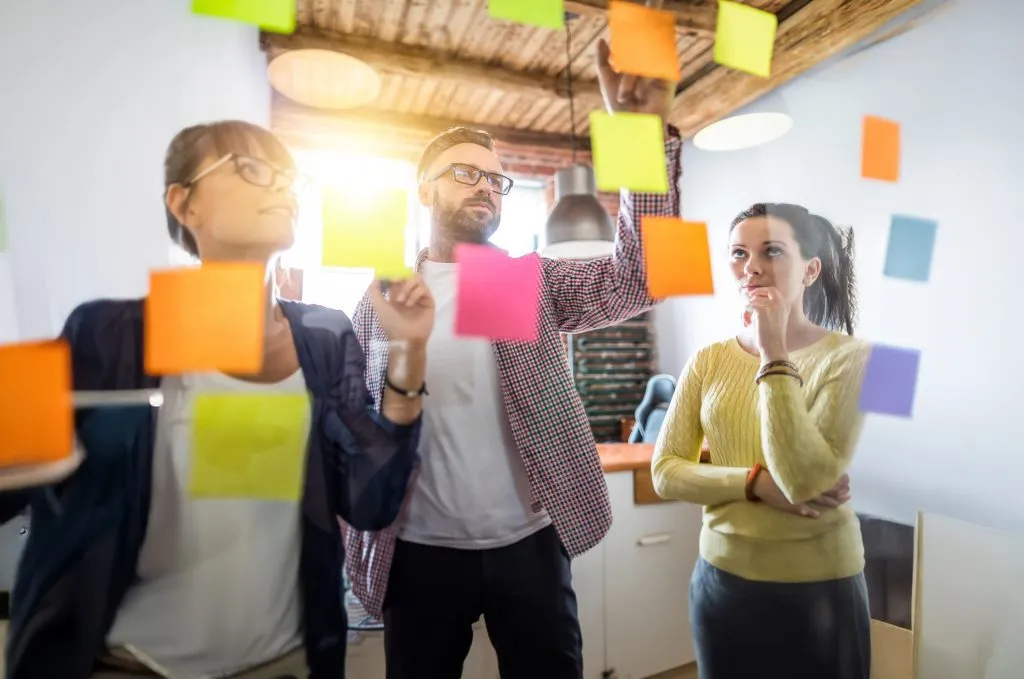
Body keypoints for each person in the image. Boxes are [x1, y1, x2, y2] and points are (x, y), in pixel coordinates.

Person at [0, 120, 434, 679]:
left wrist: (409, 348)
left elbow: (371, 501)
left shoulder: (324, 337)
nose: (281, 188)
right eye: (253, 169)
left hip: (287, 662)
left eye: (288, 177)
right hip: (127, 665)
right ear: (185, 205)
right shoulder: (107, 334)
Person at [341, 29, 683, 679]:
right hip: (417, 552)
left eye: (497, 180)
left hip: (530, 544)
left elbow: (641, 277)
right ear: (423, 188)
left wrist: (638, 135)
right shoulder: (383, 299)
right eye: (467, 174)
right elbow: (361, 436)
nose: (487, 189)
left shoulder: (523, 279)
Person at [651, 202, 871, 679]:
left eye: (771, 251)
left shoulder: (857, 359)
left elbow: (801, 478)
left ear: (811, 269)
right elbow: (665, 471)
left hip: (822, 589)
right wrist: (753, 483)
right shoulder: (707, 361)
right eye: (738, 253)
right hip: (721, 583)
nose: (750, 267)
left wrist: (773, 353)